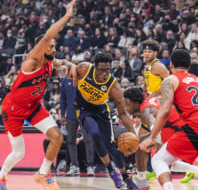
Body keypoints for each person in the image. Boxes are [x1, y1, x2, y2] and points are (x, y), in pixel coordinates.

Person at [0, 0, 77, 190]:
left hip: (33, 106)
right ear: (41, 47)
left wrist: (70, 64)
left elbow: (59, 62)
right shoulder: (31, 62)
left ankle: (42, 174)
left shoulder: (49, 61)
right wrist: (66, 16)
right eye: (51, 47)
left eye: (55, 47)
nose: (53, 50)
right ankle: (0, 177)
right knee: (19, 153)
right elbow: (47, 37)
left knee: (57, 137)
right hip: (13, 109)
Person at [140, 49, 198, 190]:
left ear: (171, 65)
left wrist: (152, 136)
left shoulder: (170, 80)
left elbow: (165, 109)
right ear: (189, 66)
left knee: (159, 159)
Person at [73, 53, 138, 189]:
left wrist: (133, 134)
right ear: (94, 67)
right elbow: (66, 66)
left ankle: (126, 178)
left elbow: (122, 113)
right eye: (101, 70)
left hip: (101, 111)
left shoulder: (113, 85)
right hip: (84, 109)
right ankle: (111, 171)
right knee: (95, 134)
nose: (105, 73)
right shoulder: (84, 69)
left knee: (111, 146)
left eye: (108, 70)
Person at [123, 88, 183, 189]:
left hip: (181, 130)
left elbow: (158, 134)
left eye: (128, 105)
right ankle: (141, 179)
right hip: (175, 127)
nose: (126, 108)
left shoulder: (145, 112)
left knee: (160, 161)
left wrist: (158, 146)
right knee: (140, 143)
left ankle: (164, 185)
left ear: (136, 103)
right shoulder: (147, 103)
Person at [60, 74, 95, 176]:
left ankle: (90, 166)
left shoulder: (86, 78)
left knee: (88, 139)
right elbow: (63, 98)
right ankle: (74, 166)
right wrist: (62, 113)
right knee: (70, 140)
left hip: (84, 113)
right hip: (71, 114)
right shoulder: (65, 80)